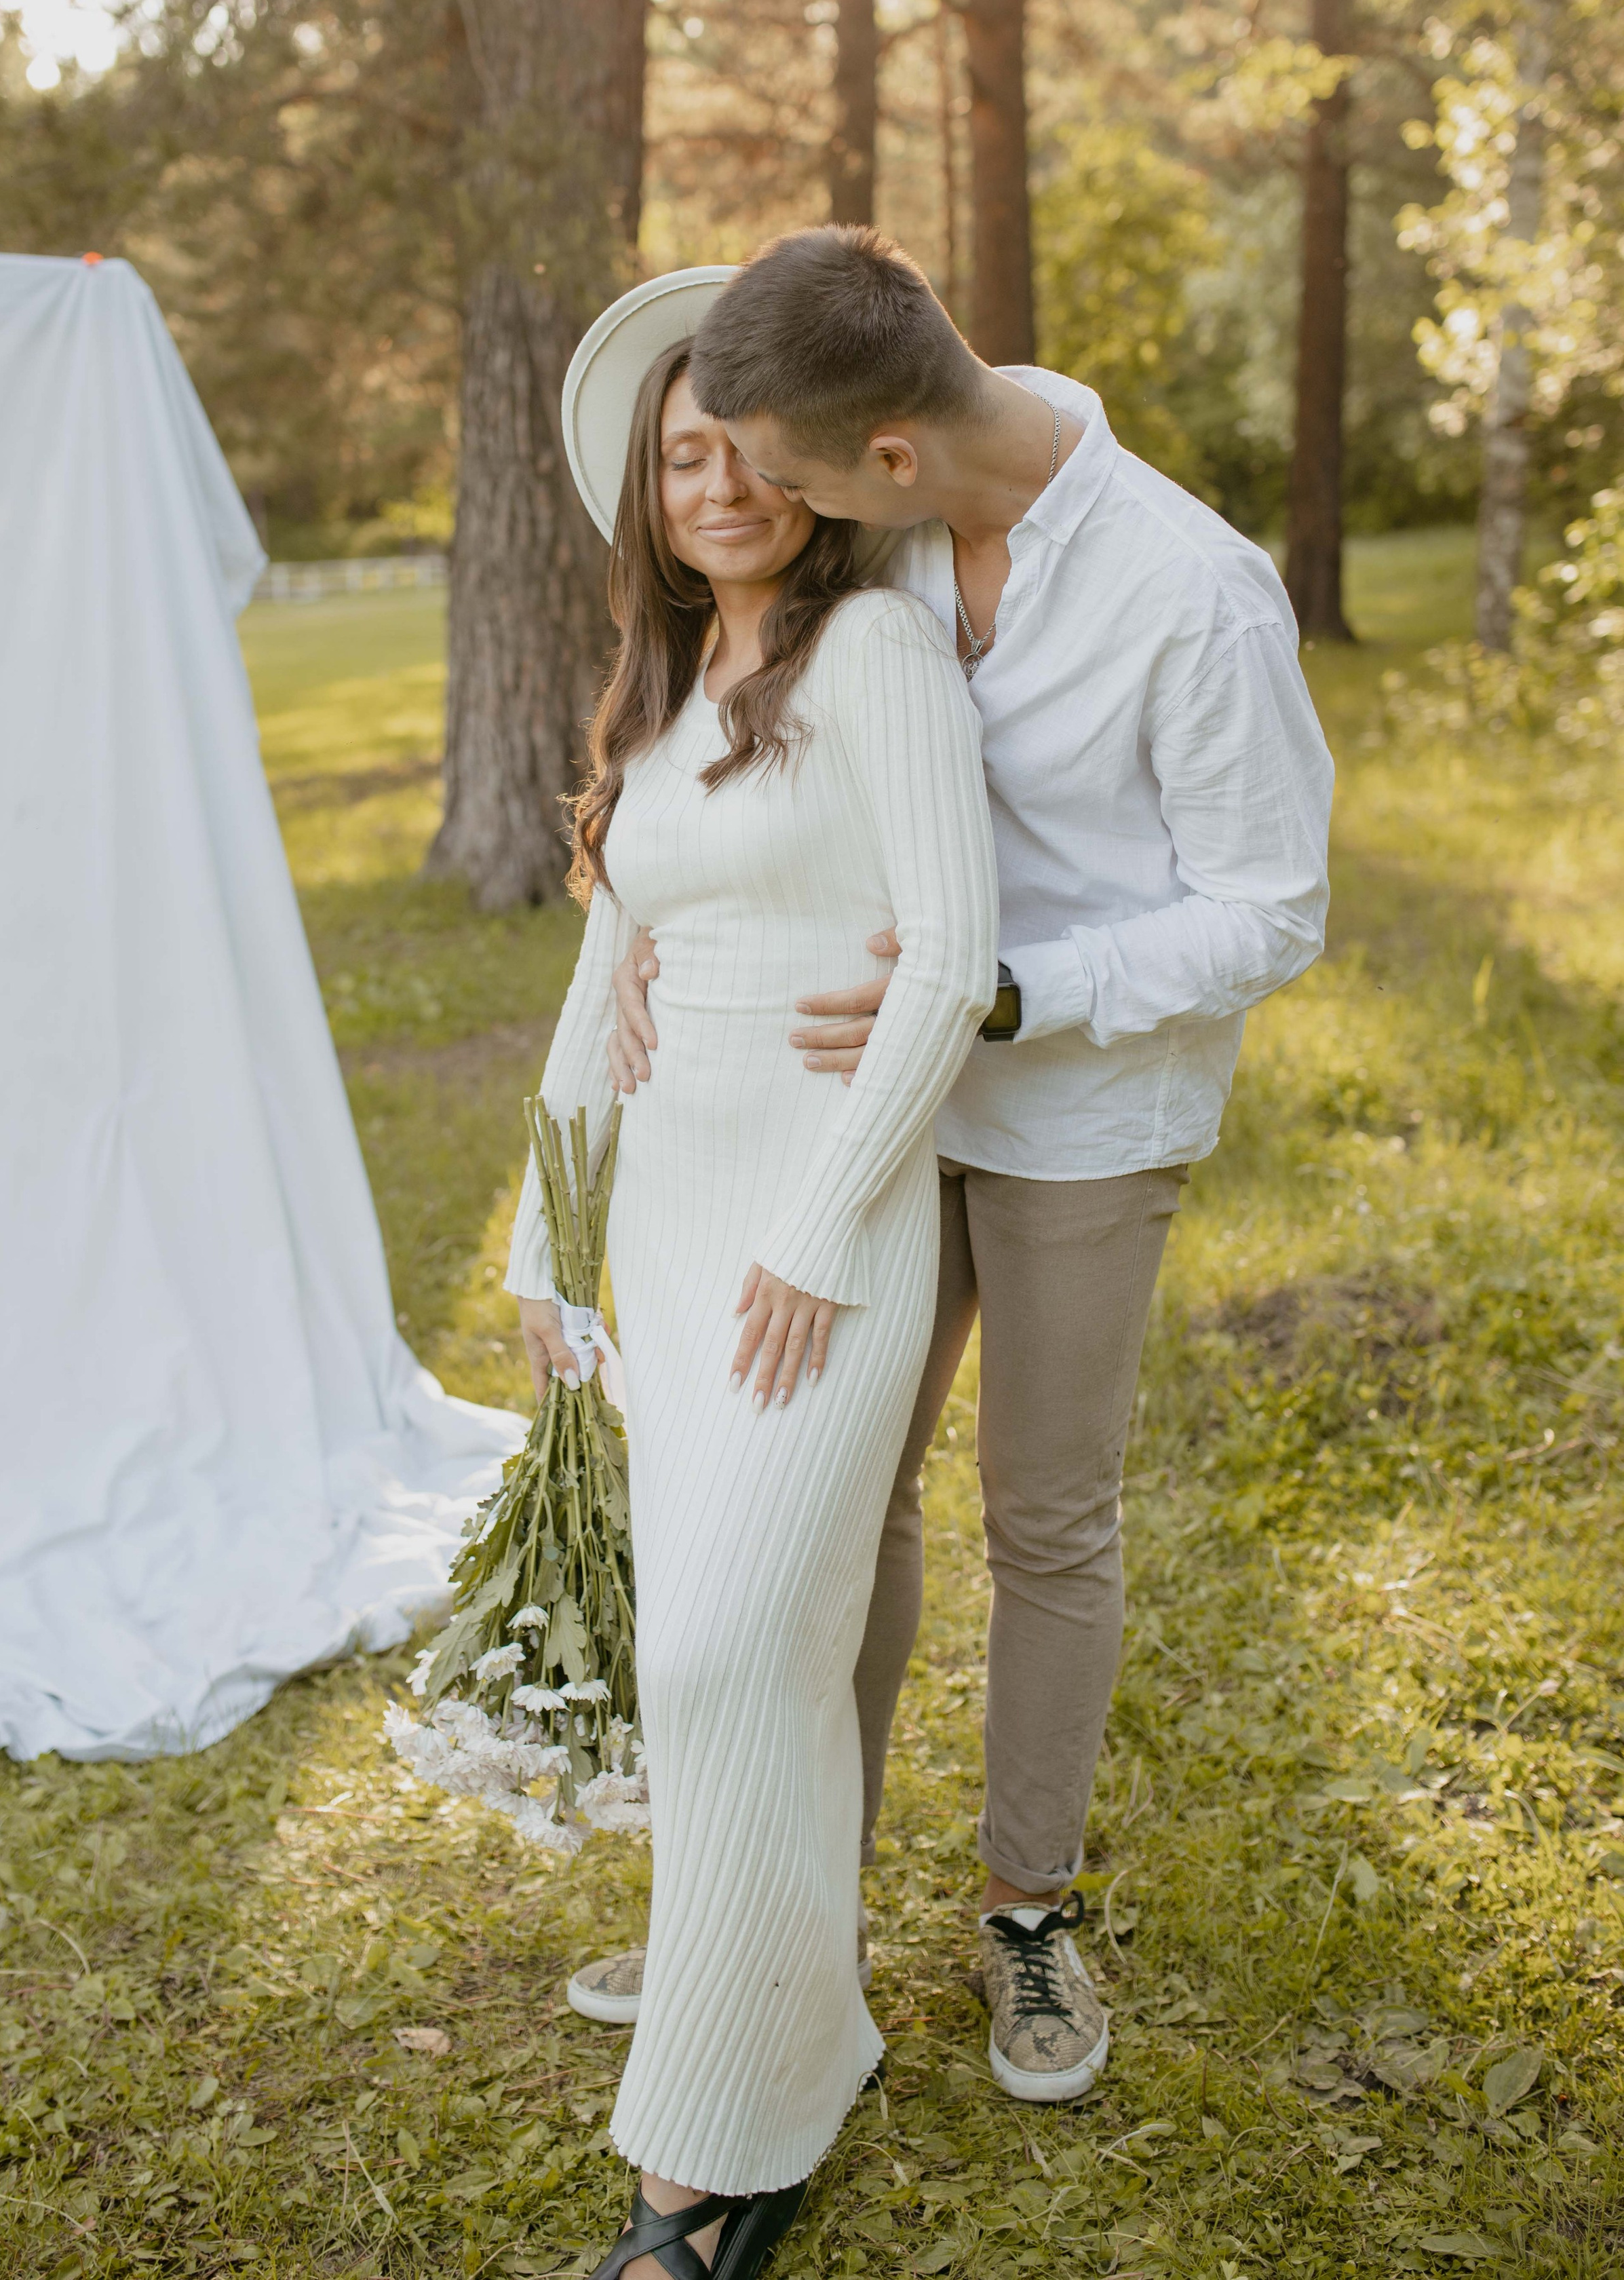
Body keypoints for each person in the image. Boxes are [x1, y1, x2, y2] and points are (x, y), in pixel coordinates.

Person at [581, 227, 1335, 2107]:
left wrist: (1012, 994)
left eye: (797, 478)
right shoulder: (897, 516)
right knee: (835, 1496)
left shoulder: (1197, 595)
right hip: (873, 1104)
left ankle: (1023, 1911)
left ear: (890, 462)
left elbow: (1273, 911)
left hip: (1084, 1113)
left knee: (1045, 1516)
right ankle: (776, 1915)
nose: (770, 502)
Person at [505, 282, 999, 2278]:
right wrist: (548, 1242)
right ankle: (803, 2029)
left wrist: (816, 1232)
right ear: (650, 484)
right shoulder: (652, 695)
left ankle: (710, 2164)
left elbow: (951, 965)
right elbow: (587, 989)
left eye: (743, 447)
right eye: (681, 455)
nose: (717, 483)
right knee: (729, 1667)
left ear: (806, 467)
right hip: (664, 1219)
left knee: (727, 1655)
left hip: (826, 1231)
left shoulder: (876, 653)